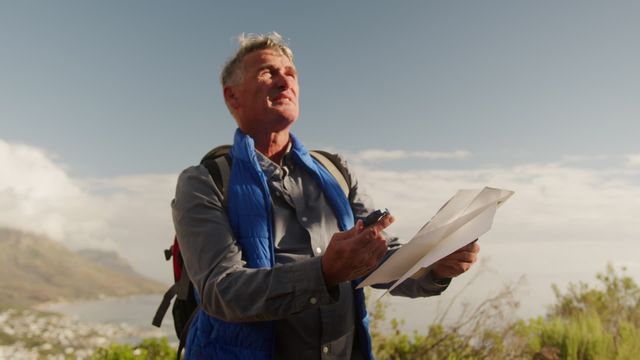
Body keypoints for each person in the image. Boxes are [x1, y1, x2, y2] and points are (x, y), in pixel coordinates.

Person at [171, 32, 480, 360]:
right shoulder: (204, 181)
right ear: (232, 97)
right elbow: (222, 291)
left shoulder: (335, 171)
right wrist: (324, 274)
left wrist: (433, 265)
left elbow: (378, 259)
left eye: (290, 74)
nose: (283, 81)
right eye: (267, 73)